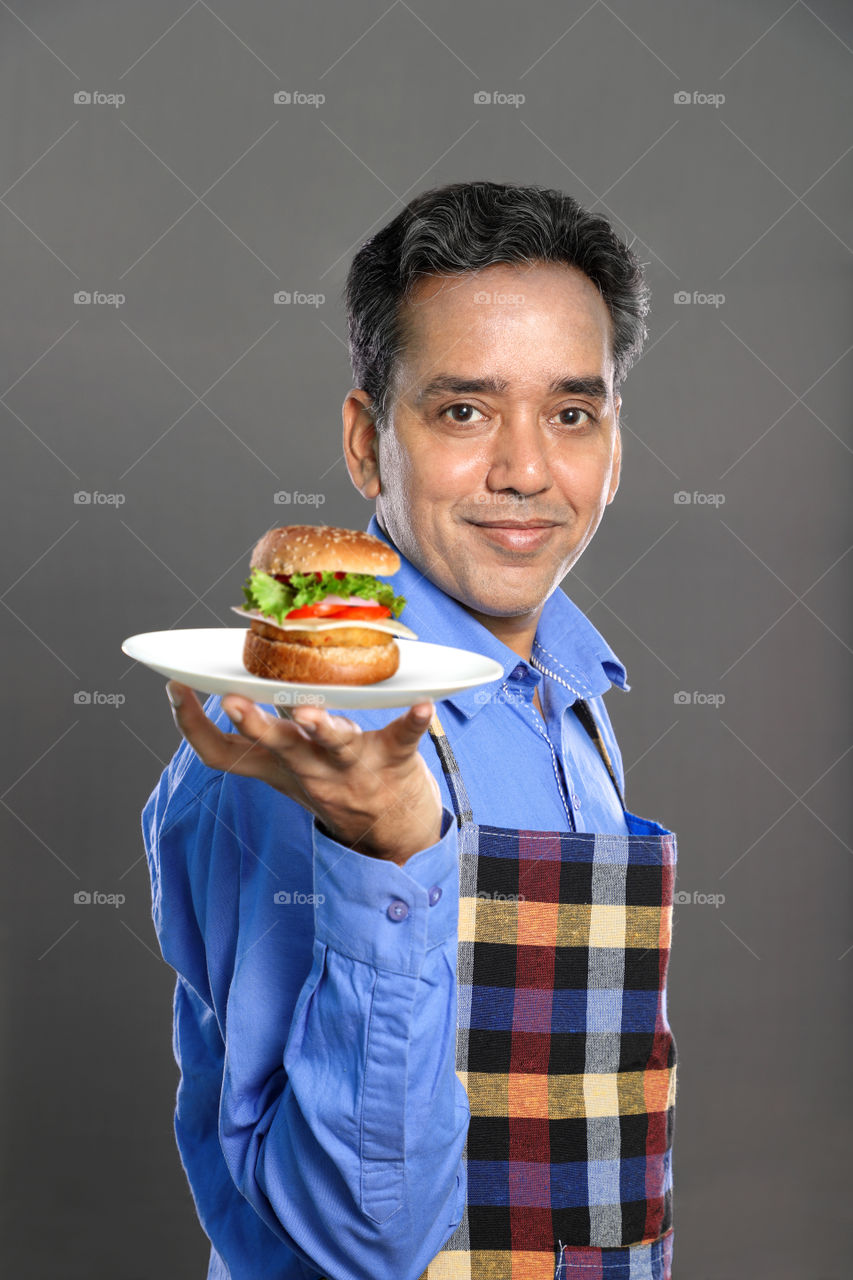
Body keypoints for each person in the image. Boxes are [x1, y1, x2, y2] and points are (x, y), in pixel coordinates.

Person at [142, 180, 678, 1280]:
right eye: (463, 410)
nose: (526, 470)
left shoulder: (569, 694)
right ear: (364, 438)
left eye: (571, 413)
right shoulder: (288, 751)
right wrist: (381, 848)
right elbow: (358, 1238)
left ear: (614, 444)